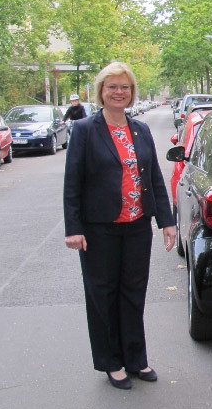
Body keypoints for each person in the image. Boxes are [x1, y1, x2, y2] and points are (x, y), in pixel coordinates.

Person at [63, 62, 176, 390]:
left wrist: (166, 221)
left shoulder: (139, 129)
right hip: (100, 228)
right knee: (103, 295)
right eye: (112, 86)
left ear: (132, 92)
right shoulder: (85, 129)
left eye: (124, 87)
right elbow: (73, 183)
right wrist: (74, 227)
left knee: (133, 293)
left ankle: (136, 359)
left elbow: (154, 176)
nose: (118, 92)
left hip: (137, 226)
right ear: (101, 91)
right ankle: (111, 361)